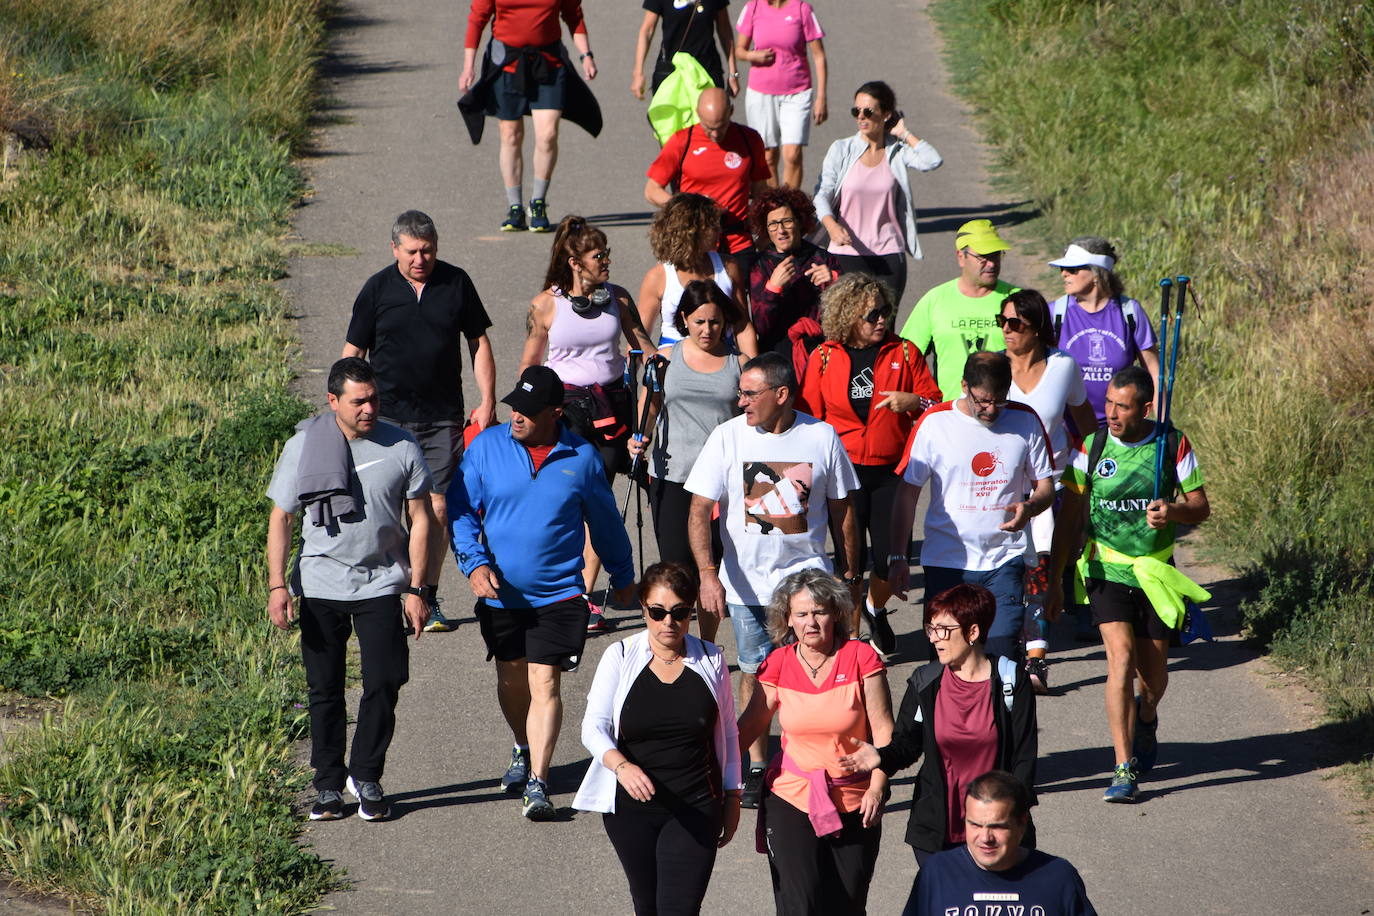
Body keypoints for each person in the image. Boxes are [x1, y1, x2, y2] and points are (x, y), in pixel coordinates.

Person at [448, 365, 636, 819]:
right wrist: (474, 565)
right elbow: (460, 511)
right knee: (511, 681)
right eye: (515, 406)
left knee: (544, 681)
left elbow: (605, 521)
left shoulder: (582, 459)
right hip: (501, 595)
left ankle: (538, 780)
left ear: (555, 413)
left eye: (529, 411)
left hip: (559, 594)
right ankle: (521, 744)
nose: (517, 416)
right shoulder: (487, 449)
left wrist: (624, 576)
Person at [684, 351, 861, 807]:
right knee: (755, 674)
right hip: (748, 586)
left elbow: (843, 509)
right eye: (739, 392)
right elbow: (699, 510)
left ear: (781, 394)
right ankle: (759, 766)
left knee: (816, 672)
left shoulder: (821, 437)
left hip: (807, 584)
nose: (740, 401)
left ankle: (813, 756)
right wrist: (708, 575)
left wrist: (851, 573)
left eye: (749, 393)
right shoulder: (727, 437)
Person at [266, 357, 432, 822]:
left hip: (381, 581)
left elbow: (422, 519)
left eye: (374, 398)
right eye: (358, 401)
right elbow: (281, 517)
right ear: (333, 401)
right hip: (321, 583)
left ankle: (367, 775)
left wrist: (419, 588)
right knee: (325, 688)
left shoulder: (401, 444)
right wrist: (278, 584)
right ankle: (327, 784)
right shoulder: (304, 446)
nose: (369, 408)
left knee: (385, 679)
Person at [1047, 366, 1210, 803]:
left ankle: (1146, 716)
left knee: (1153, 681)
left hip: (1155, 572)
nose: (1112, 414)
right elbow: (1070, 514)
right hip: (1105, 569)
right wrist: (1056, 578)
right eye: (1109, 404)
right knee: (1119, 660)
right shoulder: (1092, 446)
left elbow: (1199, 507)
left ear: (1146, 407)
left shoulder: (1172, 443)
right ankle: (1123, 767)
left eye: (1122, 406)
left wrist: (1172, 512)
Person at [342, 210, 496, 633]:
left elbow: (478, 342)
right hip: (386, 419)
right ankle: (389, 593)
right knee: (388, 510)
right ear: (395, 249)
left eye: (427, 250)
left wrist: (487, 400)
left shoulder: (456, 283)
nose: (420, 258)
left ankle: (426, 595)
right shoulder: (377, 289)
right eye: (411, 251)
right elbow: (352, 353)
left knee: (438, 510)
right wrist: (345, 410)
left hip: (441, 418)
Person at [573, 562, 742, 916]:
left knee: (679, 908)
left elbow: (727, 730)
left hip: (696, 805)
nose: (669, 622)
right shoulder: (619, 656)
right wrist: (621, 767)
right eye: (658, 611)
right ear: (644, 609)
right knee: (647, 906)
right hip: (631, 812)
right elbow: (593, 726)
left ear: (691, 611)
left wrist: (733, 796)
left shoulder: (711, 659)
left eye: (680, 613)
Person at [522, 216, 658, 630]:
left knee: (598, 503)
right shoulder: (546, 304)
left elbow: (644, 347)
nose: (607, 262)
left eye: (607, 255)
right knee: (570, 501)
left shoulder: (617, 298)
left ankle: (583, 595)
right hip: (565, 410)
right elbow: (529, 365)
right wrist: (525, 414)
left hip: (612, 407)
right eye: (599, 256)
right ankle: (565, 587)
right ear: (575, 262)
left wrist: (668, 366)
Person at [839, 585, 1037, 867]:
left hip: (997, 829)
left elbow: (1024, 756)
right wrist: (881, 756)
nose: (934, 638)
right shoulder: (926, 682)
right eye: (931, 628)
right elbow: (908, 744)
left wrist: (1016, 814)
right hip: (938, 830)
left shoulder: (1010, 680)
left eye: (943, 630)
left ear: (973, 633)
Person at [799, 273, 941, 657]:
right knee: (849, 561)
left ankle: (877, 608)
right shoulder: (825, 357)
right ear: (848, 317)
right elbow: (809, 417)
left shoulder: (906, 353)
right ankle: (856, 635)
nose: (883, 320)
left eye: (886, 312)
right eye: (873, 314)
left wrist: (914, 402)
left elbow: (937, 407)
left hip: (890, 471)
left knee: (886, 557)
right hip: (842, 474)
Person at [736, 569, 893, 916]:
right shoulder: (777, 664)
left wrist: (878, 789)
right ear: (787, 619)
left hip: (856, 800)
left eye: (819, 611)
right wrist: (709, 776)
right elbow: (747, 729)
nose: (811, 622)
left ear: (835, 613)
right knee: (799, 904)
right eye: (802, 614)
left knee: (846, 905)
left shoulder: (861, 658)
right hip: (791, 795)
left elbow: (884, 733)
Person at [888, 352, 1055, 662]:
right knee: (946, 661)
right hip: (946, 562)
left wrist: (1029, 507)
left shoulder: (1026, 420)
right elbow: (907, 494)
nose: (990, 410)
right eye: (981, 401)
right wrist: (898, 556)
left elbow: (1045, 485)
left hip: (1004, 560)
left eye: (999, 401)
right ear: (964, 385)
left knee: (1001, 656)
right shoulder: (935, 422)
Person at [629, 280, 748, 643]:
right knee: (678, 570)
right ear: (683, 319)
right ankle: (678, 643)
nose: (707, 330)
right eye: (698, 322)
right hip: (671, 476)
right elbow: (650, 406)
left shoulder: (739, 364)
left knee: (712, 569)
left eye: (714, 322)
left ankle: (709, 646)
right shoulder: (665, 359)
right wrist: (638, 438)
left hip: (722, 484)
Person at [998, 289, 1097, 692]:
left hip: (1048, 487)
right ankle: (1001, 651)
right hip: (999, 489)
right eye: (1001, 321)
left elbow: (1087, 427)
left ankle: (1036, 657)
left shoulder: (1063, 367)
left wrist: (1089, 476)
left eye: (1015, 323)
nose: (1006, 330)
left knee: (1040, 571)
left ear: (1038, 329)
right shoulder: (993, 367)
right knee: (1004, 571)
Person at [459, 0, 599, 232]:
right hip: (507, 63)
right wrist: (468, 66)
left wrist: (586, 55)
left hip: (549, 64)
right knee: (510, 135)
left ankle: (538, 203)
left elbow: (573, 15)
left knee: (548, 134)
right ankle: (515, 207)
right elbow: (477, 18)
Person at [814, 80, 942, 303]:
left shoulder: (897, 153)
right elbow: (822, 194)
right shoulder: (842, 149)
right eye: (856, 111)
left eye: (868, 111)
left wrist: (903, 132)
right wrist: (831, 225)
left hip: (889, 253)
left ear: (885, 115)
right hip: (846, 252)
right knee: (848, 328)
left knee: (885, 327)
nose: (861, 117)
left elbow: (932, 160)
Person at [905, 771, 1097, 916]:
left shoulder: (1059, 877)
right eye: (975, 825)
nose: (985, 837)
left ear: (1022, 824)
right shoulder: (937, 873)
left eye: (997, 827)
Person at [645, 88, 772, 268]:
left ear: (731, 112)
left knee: (738, 296)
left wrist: (766, 231)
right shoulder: (682, 141)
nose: (715, 134)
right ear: (697, 114)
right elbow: (652, 190)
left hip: (737, 241)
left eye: (721, 127)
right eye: (709, 128)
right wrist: (691, 209)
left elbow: (760, 191)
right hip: (694, 242)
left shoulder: (749, 139)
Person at [899, 219, 1019, 400]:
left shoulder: (1016, 299)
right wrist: (924, 398)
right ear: (961, 257)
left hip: (1004, 409)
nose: (992, 264)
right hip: (950, 413)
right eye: (982, 257)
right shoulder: (935, 300)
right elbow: (906, 358)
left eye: (995, 255)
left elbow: (1038, 354)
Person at [1048, 237, 1160, 423]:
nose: (1064, 274)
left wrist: (1164, 425)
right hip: (1069, 433)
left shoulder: (1130, 312)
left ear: (1096, 274)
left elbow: (1154, 374)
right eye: (1062, 269)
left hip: (1120, 431)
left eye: (1073, 269)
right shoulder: (1054, 314)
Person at [638, 192, 756, 356]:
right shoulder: (658, 276)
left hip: (722, 359)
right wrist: (652, 368)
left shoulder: (729, 267)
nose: (719, 230)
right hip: (674, 363)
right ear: (691, 231)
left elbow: (742, 327)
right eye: (712, 225)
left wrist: (752, 371)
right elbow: (639, 335)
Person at [733, 0, 827, 189]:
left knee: (792, 154)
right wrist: (753, 56)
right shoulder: (754, 7)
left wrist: (821, 97)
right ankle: (773, 209)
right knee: (767, 156)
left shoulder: (802, 9)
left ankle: (791, 208)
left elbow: (819, 55)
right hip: (761, 93)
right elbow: (739, 50)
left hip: (797, 92)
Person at [747, 185, 839, 369]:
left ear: (800, 221)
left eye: (787, 221)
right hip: (778, 358)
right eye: (773, 224)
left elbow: (849, 313)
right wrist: (772, 289)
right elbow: (761, 328)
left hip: (822, 352)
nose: (780, 230)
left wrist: (835, 281)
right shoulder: (761, 265)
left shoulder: (823, 258)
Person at [632, 0, 738, 100]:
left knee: (711, 118)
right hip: (672, 73)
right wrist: (638, 73)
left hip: (707, 72)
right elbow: (647, 30)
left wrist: (733, 73)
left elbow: (725, 30)